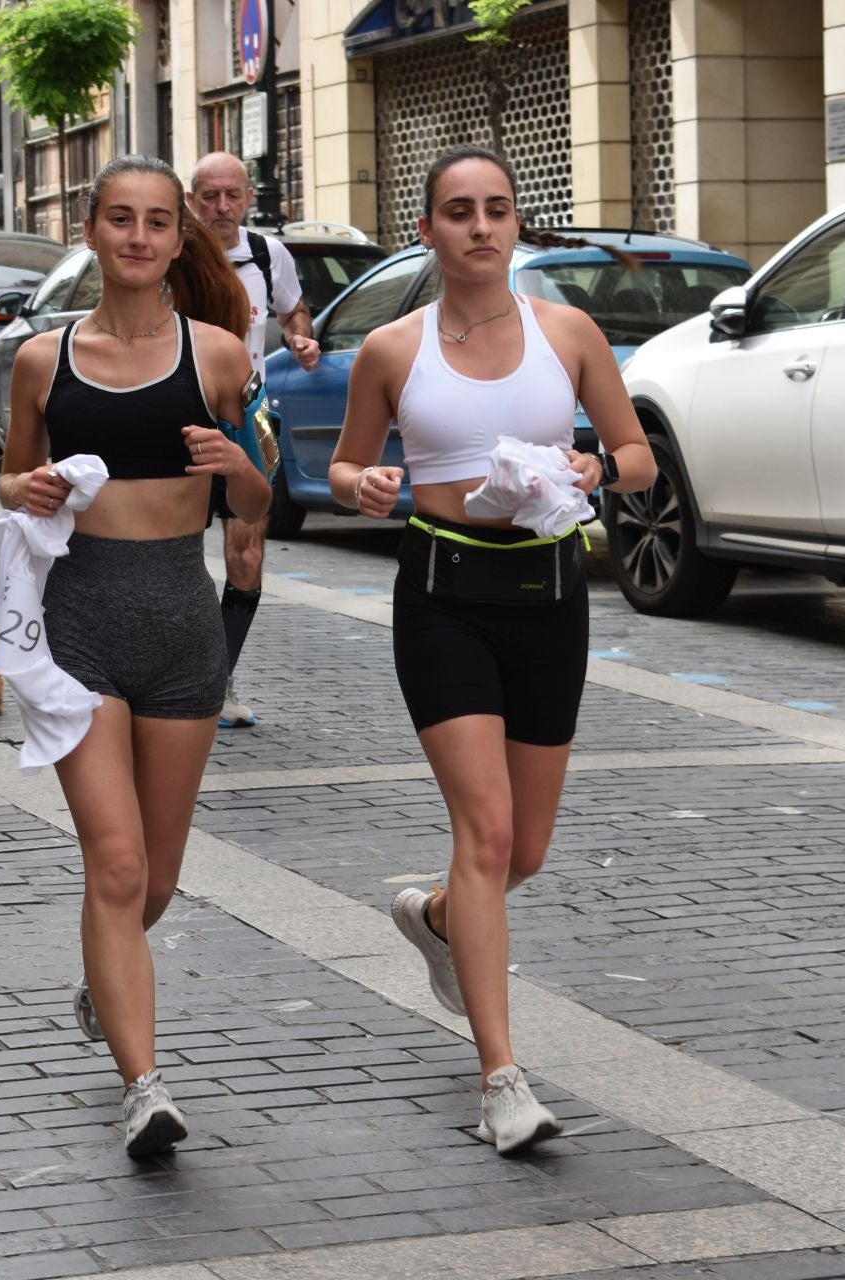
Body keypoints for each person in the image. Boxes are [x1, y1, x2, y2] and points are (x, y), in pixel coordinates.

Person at [328, 144, 657, 1156]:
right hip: (442, 596)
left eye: (497, 210)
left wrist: (597, 463)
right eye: (458, 212)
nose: (479, 227)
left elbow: (639, 457)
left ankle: (434, 916)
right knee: (485, 832)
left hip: (551, 594)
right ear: (427, 229)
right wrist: (365, 486)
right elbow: (343, 463)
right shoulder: (393, 346)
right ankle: (502, 1077)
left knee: (524, 850)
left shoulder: (569, 331)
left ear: (518, 225)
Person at [1, 155, 258, 1157]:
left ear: (179, 235)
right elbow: (12, 480)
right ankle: (144, 1084)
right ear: (92, 228)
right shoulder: (41, 359)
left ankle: (107, 978)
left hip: (182, 625)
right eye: (120, 219)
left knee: (154, 877)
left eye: (158, 222)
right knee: (113, 863)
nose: (139, 237)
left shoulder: (225, 356)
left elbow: (259, 502)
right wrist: (19, 490)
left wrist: (245, 470)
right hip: (81, 623)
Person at [185, 152, 320, 729]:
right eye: (210, 196)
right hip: (182, 416)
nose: (221, 207)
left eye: (232, 195)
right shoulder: (176, 254)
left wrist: (301, 339)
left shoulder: (269, 254)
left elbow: (295, 313)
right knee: (178, 557)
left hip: (254, 416)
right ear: (192, 199)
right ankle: (181, 676)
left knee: (248, 555)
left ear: (247, 197)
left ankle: (220, 678)